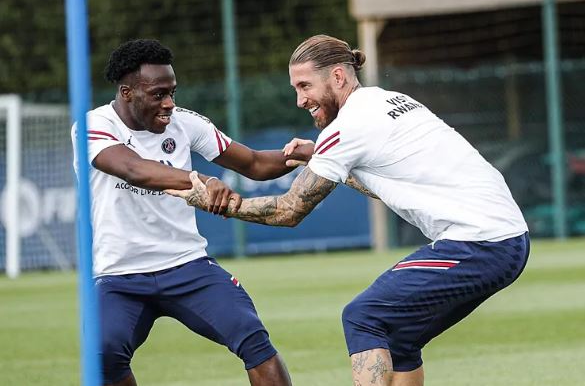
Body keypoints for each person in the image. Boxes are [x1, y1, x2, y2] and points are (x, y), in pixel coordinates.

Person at [167, 34, 531, 386]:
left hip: (479, 243)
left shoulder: (348, 127)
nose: (299, 100)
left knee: (363, 316)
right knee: (400, 340)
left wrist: (223, 204)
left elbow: (288, 211)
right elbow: (383, 184)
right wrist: (319, 156)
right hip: (505, 238)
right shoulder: (388, 101)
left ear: (338, 76)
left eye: (305, 86)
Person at [71, 39, 312, 386]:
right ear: (126, 93)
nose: (169, 104)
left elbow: (256, 164)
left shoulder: (185, 123)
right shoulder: (93, 125)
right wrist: (199, 179)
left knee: (254, 339)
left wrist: (308, 153)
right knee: (103, 355)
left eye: (172, 92)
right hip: (118, 274)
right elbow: (135, 170)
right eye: (158, 94)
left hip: (187, 266)